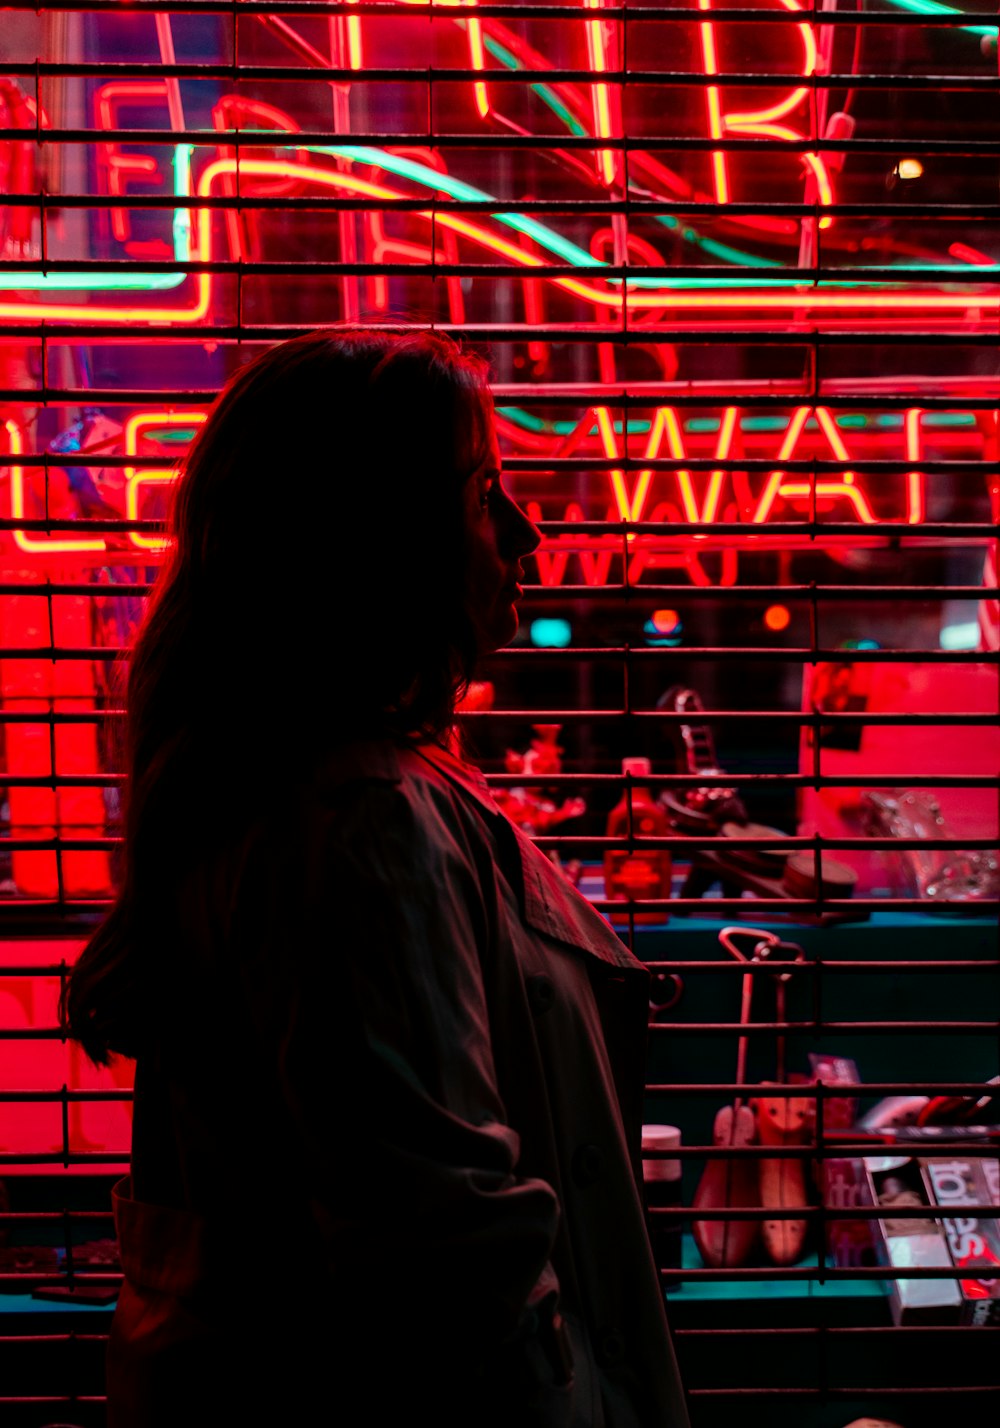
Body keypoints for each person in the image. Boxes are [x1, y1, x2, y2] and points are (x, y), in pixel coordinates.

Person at [63, 328, 690, 1428]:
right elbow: (447, 1270)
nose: (525, 533)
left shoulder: (278, 794)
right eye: (482, 492)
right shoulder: (366, 826)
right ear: (374, 539)